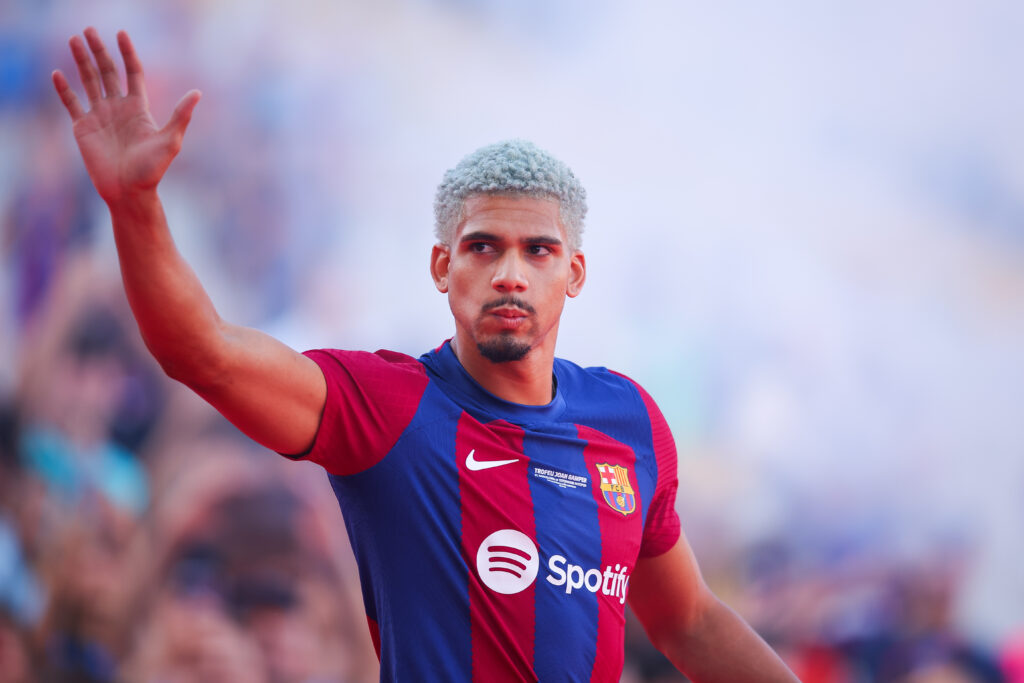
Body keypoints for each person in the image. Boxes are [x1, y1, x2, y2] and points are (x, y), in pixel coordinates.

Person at [52, 27, 801, 682]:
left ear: (573, 273)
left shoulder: (629, 419)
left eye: (538, 250)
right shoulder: (387, 405)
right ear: (443, 266)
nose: (510, 271)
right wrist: (135, 207)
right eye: (484, 246)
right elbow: (204, 353)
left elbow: (691, 621)